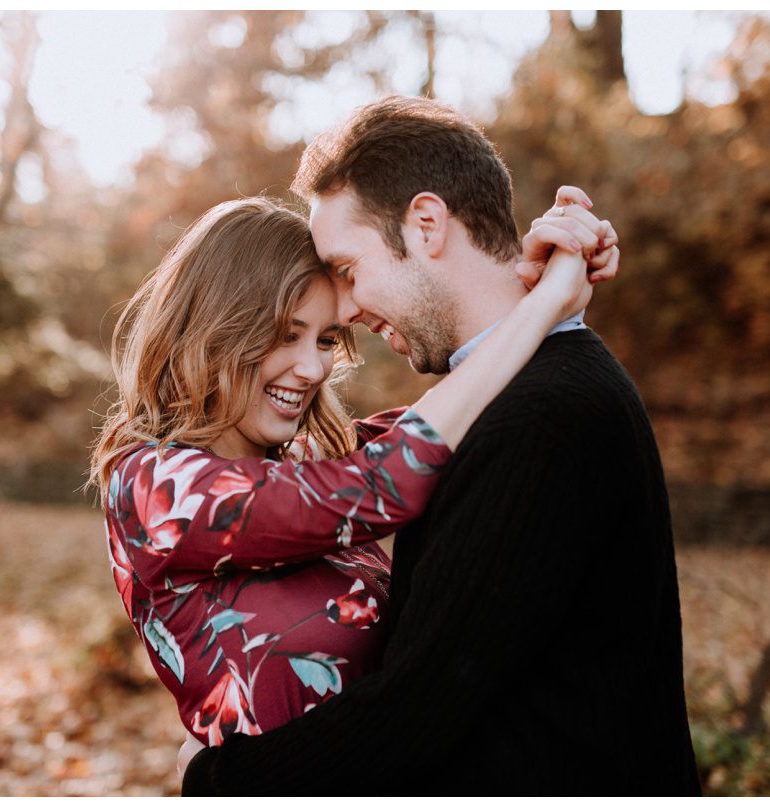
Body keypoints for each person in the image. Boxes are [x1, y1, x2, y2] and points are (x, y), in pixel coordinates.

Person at [182, 96, 700, 795]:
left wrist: (216, 779)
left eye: (348, 267)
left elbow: (416, 714)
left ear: (426, 224)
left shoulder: (541, 419)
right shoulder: (526, 389)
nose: (347, 309)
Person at [89, 194, 610, 756]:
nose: (313, 368)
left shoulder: (307, 458)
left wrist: (534, 287)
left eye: (326, 340)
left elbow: (466, 411)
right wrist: (544, 304)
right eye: (285, 335)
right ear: (216, 326)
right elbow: (389, 479)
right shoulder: (154, 489)